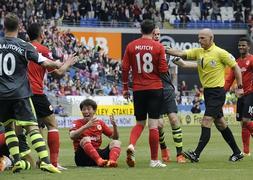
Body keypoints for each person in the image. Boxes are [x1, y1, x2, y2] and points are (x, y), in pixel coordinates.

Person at [167, 28, 244, 162]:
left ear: (211, 38)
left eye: (202, 38)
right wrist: (163, 48)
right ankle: (237, 152)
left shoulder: (220, 53)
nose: (199, 40)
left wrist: (239, 87)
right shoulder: (199, 52)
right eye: (199, 38)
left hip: (217, 92)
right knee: (221, 124)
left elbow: (236, 67)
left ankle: (196, 154)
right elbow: (180, 53)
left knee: (206, 121)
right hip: (208, 93)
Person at [0, 13, 61, 173]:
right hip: (20, 94)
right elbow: (45, 62)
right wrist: (57, 63)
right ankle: (46, 162)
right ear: (19, 27)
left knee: (9, 129)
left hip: (1, 96)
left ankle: (18, 161)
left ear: (4, 26)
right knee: (33, 127)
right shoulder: (23, 45)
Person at [26, 23, 76, 170]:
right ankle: (53, 163)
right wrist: (67, 63)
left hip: (21, 94)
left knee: (37, 126)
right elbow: (59, 73)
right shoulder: (43, 50)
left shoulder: (22, 48)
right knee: (52, 124)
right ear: (41, 35)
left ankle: (40, 160)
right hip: (36, 92)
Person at [122, 19, 168, 168]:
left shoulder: (131, 46)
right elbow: (163, 69)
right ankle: (154, 160)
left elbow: (124, 68)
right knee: (153, 125)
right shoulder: (158, 46)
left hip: (138, 89)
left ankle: (131, 145)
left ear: (140, 30)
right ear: (154, 30)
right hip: (155, 88)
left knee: (140, 123)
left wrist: (124, 87)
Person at [152, 26, 186, 163]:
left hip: (166, 90)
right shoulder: (143, 51)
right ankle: (164, 149)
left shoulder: (166, 50)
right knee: (159, 125)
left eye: (159, 34)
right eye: (155, 34)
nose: (157, 36)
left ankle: (180, 154)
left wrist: (199, 64)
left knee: (173, 119)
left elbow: (181, 62)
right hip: (153, 90)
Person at [69, 99, 121, 167]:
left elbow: (115, 137)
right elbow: (72, 136)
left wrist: (114, 126)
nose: (86, 111)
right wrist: (86, 126)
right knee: (85, 139)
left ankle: (111, 162)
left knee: (116, 142)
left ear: (94, 111)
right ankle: (99, 160)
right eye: (84, 109)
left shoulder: (100, 123)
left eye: (88, 109)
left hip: (96, 154)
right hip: (82, 157)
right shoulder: (77, 122)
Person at [224, 37, 253, 156]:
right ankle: (246, 151)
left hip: (251, 93)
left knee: (246, 121)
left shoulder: (251, 60)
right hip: (240, 96)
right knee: (242, 123)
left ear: (249, 47)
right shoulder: (235, 62)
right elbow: (230, 79)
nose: (241, 47)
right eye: (239, 45)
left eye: (243, 45)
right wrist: (222, 92)